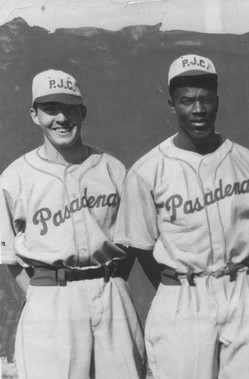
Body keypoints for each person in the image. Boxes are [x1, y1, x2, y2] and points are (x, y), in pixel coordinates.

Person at [114, 54, 249, 379]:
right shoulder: (147, 170)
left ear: (217, 101)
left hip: (243, 288)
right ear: (172, 104)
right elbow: (140, 245)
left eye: (205, 99)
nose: (197, 110)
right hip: (182, 293)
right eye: (186, 100)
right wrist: (177, 289)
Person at [0, 69, 146, 379]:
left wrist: (111, 283)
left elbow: (130, 241)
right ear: (34, 114)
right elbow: (9, 257)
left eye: (69, 108)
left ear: (82, 112)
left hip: (110, 292)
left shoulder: (111, 168)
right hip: (50, 297)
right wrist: (40, 294)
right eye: (50, 109)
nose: (61, 118)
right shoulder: (15, 177)